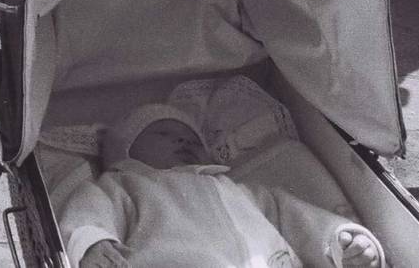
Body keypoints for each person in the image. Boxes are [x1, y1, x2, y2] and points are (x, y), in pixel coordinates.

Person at [63, 104, 384, 268]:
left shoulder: (241, 190)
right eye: (163, 134)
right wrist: (92, 243)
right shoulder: (126, 185)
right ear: (125, 150)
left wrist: (341, 241)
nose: (182, 140)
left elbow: (298, 218)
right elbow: (88, 211)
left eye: (192, 138)